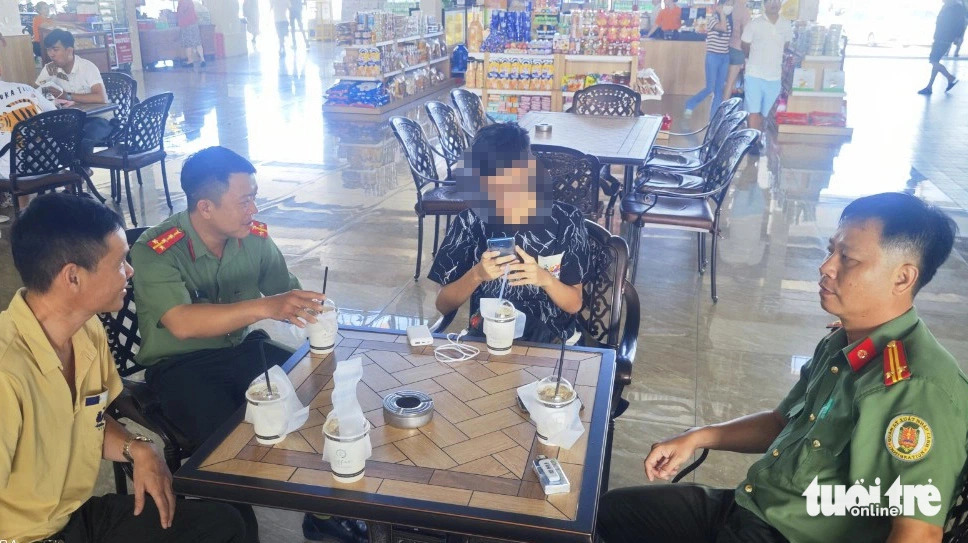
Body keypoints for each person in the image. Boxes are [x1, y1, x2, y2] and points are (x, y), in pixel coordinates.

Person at [597, 192, 967, 543]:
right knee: (607, 513)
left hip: (790, 535)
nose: (826, 267)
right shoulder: (845, 341)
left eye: (848, 258)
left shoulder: (917, 388)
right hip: (753, 508)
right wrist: (696, 436)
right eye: (831, 250)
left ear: (902, 277)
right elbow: (782, 422)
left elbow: (918, 534)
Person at [128, 146, 364, 543]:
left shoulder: (253, 238)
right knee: (227, 451)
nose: (254, 209)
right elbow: (181, 323)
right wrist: (266, 306)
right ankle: (237, 530)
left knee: (322, 389)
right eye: (244, 201)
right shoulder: (157, 250)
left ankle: (324, 514)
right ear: (205, 207)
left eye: (254, 197)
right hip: (181, 368)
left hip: (243, 350)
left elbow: (282, 290)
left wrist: (312, 310)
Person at [0, 192, 247, 543]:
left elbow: (88, 421)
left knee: (224, 524)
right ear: (73, 277)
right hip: (20, 536)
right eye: (119, 263)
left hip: (73, 518)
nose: (129, 272)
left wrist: (137, 447)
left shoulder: (87, 330)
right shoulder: (7, 373)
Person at [428, 123, 590, 344]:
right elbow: (443, 304)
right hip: (489, 338)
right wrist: (476, 274)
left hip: (553, 341)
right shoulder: (470, 222)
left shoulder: (567, 221)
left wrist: (544, 279)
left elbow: (574, 303)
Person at [35, 29, 113, 156]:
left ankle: (82, 167)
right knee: (45, 136)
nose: (51, 54)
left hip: (97, 119)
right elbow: (36, 93)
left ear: (69, 50)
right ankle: (67, 167)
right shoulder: (50, 68)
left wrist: (67, 96)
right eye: (48, 50)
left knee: (83, 139)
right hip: (71, 119)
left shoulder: (87, 67)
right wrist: (47, 94)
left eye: (55, 49)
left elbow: (101, 98)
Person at [0, 61, 57, 223]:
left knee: (11, 154)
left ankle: (19, 210)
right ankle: (24, 212)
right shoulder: (26, 88)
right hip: (50, 164)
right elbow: (55, 114)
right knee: (16, 151)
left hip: (15, 173)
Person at [740, 0, 793, 136]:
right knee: (754, 111)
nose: (774, 4)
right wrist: (754, 58)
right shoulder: (754, 24)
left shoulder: (786, 24)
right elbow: (745, 45)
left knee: (765, 113)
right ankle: (753, 142)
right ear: (764, 4)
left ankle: (758, 135)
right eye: (770, 1)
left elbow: (786, 45)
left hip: (774, 77)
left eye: (777, 1)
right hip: (754, 74)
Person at [684, 0, 734, 120]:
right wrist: (721, 13)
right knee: (710, 87)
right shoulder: (712, 19)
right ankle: (690, 103)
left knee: (719, 90)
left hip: (725, 57)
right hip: (713, 56)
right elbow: (722, 28)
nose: (729, 7)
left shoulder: (730, 21)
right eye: (727, 4)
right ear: (720, 6)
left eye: (731, 4)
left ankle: (713, 119)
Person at [918, 0, 967, 94]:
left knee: (933, 60)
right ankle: (929, 87)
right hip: (939, 37)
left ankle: (950, 78)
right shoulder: (946, 6)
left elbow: (961, 24)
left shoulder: (957, 7)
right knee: (935, 62)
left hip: (945, 38)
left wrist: (958, 37)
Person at [723, 0, 751, 101]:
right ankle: (724, 107)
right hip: (738, 48)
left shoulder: (729, 6)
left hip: (726, 46)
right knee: (730, 82)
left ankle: (723, 103)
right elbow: (745, 34)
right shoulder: (744, 11)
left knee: (727, 81)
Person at [176, 0, 206, 68]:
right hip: (194, 23)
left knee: (188, 44)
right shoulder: (190, 2)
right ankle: (202, 59)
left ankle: (190, 61)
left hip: (185, 24)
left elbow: (180, 13)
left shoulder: (181, 2)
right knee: (197, 42)